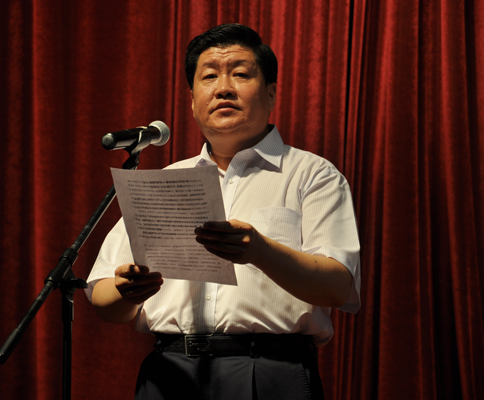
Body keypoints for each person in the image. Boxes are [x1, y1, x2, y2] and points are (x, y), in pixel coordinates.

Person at [86, 23, 361, 400]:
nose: (224, 88)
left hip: (267, 371)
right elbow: (105, 301)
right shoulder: (167, 181)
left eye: (241, 74)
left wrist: (261, 251)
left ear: (271, 93)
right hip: (169, 372)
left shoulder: (312, 175)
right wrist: (126, 290)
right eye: (210, 76)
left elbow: (337, 287)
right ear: (192, 100)